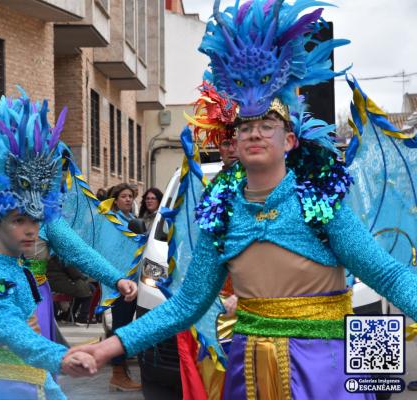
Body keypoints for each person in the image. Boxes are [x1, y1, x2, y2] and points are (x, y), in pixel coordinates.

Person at [69, 1, 417, 398]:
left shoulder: (321, 205)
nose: (254, 133)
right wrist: (109, 347)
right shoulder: (221, 215)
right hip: (248, 372)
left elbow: (388, 275)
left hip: (323, 371)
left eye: (267, 125)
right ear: (233, 141)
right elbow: (185, 305)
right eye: (246, 126)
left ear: (289, 140)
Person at [0, 90, 136, 399]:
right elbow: (6, 324)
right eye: (19, 221)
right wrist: (60, 357)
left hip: (28, 350)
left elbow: (77, 251)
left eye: (34, 221)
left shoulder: (23, 244)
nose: (30, 230)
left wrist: (115, 278)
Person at [104, 182, 141, 391]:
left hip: (134, 280)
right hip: (120, 281)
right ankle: (117, 373)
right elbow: (112, 249)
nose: (128, 199)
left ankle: (121, 371)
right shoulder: (113, 221)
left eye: (130, 196)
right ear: (116, 200)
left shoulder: (132, 220)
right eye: (124, 196)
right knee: (121, 326)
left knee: (127, 326)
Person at [46, 255, 94, 324]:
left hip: (51, 284)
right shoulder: (63, 257)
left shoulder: (48, 257)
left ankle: (69, 315)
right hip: (62, 284)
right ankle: (82, 317)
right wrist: (83, 277)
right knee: (88, 292)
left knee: (83, 291)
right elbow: (74, 273)